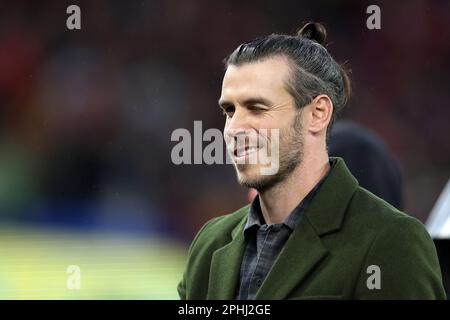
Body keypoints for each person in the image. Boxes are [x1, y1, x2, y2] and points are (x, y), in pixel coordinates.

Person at [177, 22, 446, 299]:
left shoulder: (391, 241)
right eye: (229, 111)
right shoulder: (209, 244)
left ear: (317, 113)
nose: (234, 128)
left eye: (257, 108)